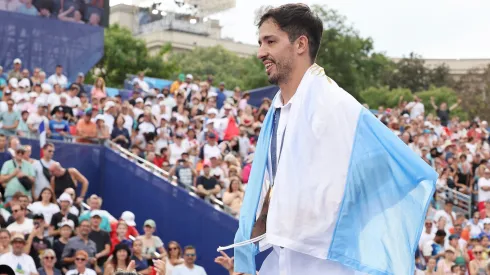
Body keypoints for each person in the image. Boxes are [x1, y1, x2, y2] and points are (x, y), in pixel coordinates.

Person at [224, 4, 437, 275]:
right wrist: (248, 246)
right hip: (282, 260)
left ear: (300, 44)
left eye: (270, 41)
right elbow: (275, 190)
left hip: (324, 264)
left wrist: (340, 224)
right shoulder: (278, 108)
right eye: (260, 43)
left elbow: (397, 167)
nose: (261, 52)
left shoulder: (332, 104)